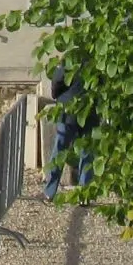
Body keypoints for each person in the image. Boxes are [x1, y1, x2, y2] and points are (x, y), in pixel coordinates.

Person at [41, 63, 94, 202]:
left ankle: (49, 191)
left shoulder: (68, 60)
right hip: (89, 109)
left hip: (67, 110)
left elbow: (57, 82)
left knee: (59, 149)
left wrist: (58, 96)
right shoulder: (95, 60)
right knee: (87, 153)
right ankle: (84, 195)